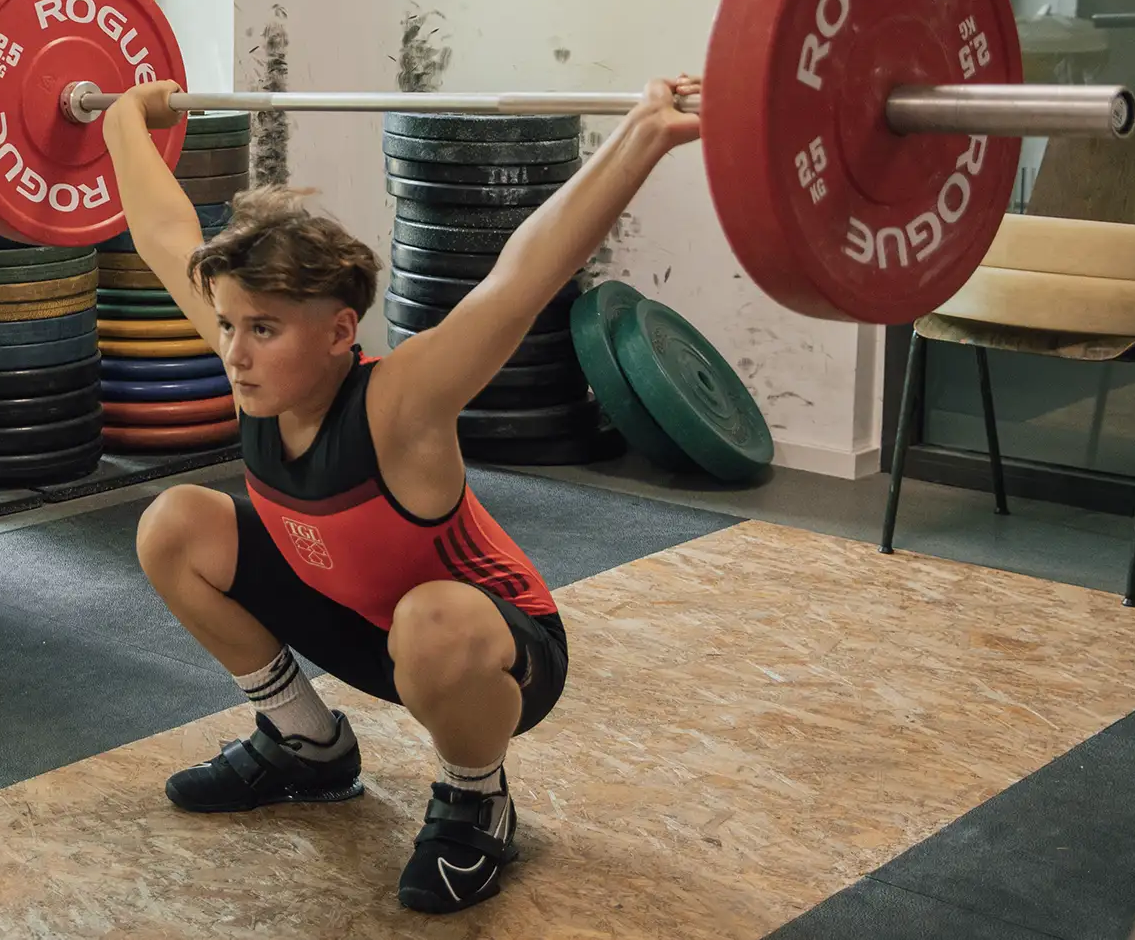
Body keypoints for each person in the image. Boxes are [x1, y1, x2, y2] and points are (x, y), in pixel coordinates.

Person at [105, 76, 701, 914]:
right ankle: (303, 743)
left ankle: (475, 795)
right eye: (231, 325)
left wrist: (644, 132)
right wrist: (128, 115)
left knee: (431, 618)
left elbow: (523, 274)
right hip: (358, 619)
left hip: (486, 650)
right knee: (175, 525)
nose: (234, 351)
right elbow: (161, 228)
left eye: (262, 329)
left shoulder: (401, 404)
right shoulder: (261, 372)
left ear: (339, 331)